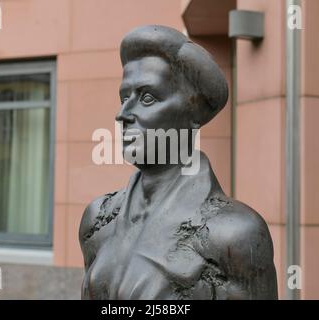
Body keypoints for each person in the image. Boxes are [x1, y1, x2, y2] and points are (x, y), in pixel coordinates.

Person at [79, 25, 278, 300]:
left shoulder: (236, 233)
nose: (122, 114)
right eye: (124, 98)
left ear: (192, 111)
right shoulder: (97, 220)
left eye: (147, 98)